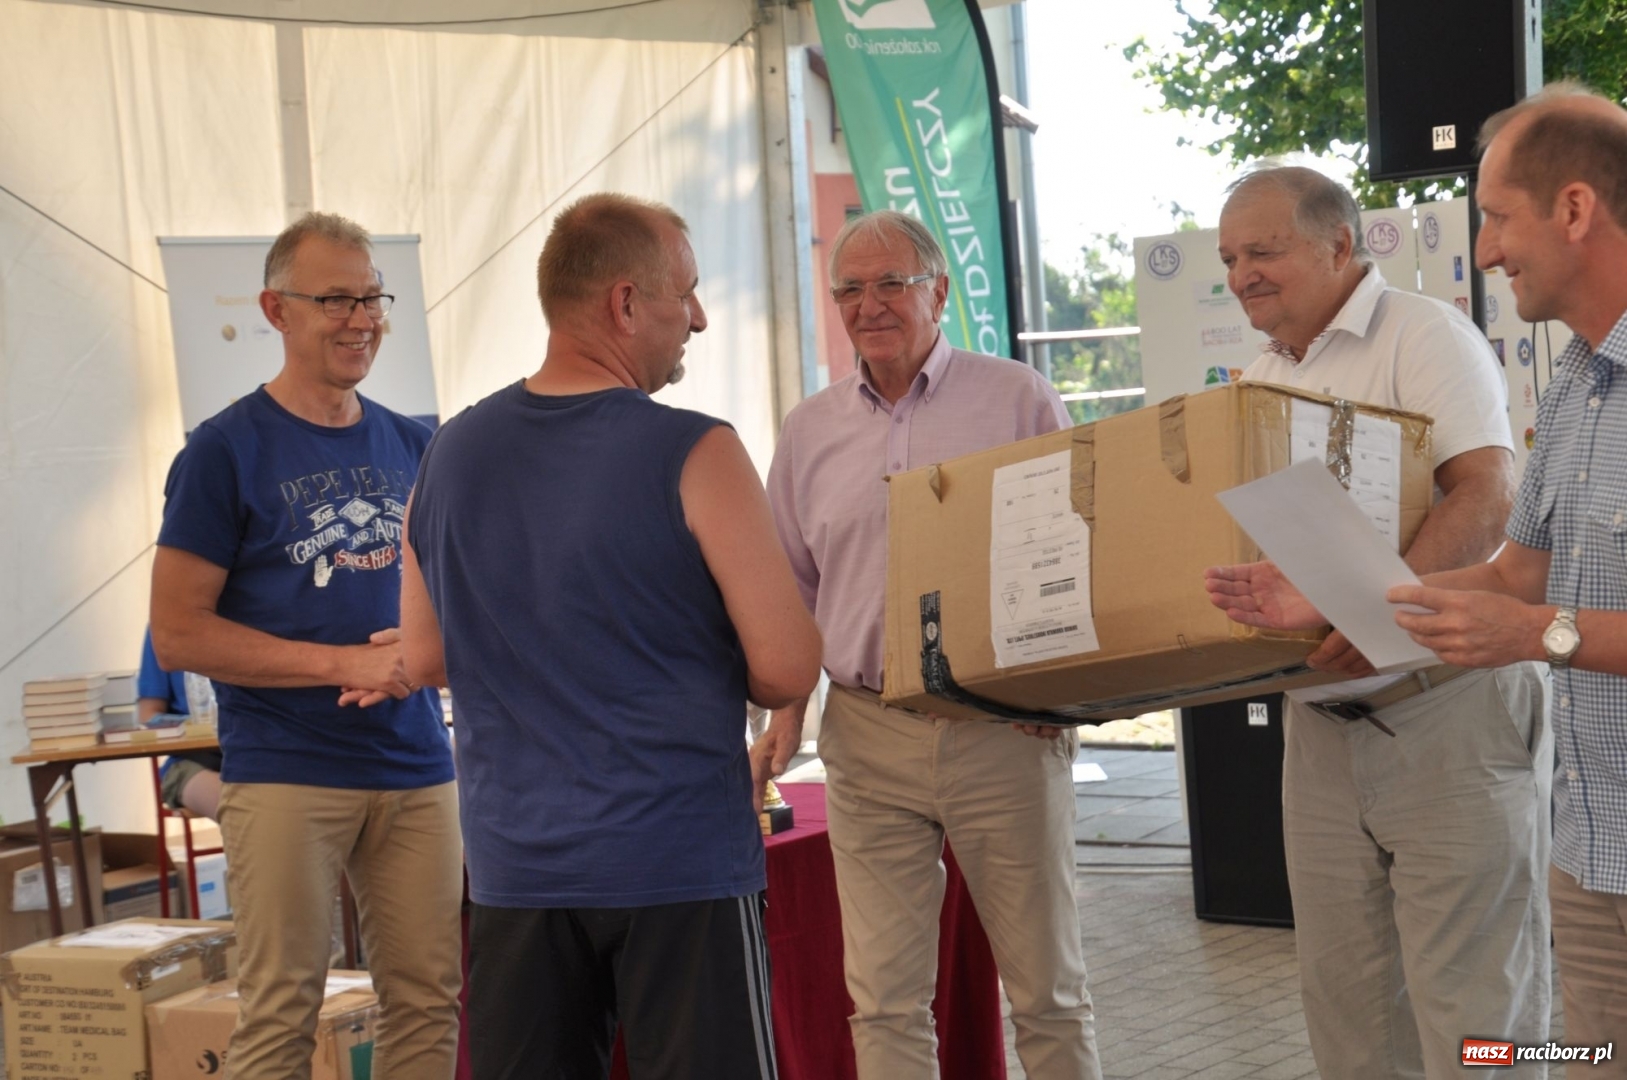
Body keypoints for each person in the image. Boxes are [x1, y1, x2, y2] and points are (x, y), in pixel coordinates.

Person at [400, 192, 821, 1080]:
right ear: (626, 304)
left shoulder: (446, 453)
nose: (699, 319)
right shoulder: (696, 449)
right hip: (677, 858)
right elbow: (784, 669)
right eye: (687, 294)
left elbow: (427, 657)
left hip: (517, 865)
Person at [1203, 166, 1552, 1079]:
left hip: (1446, 715)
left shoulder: (1423, 334)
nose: (1241, 274)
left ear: (1338, 246)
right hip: (1318, 728)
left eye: (1263, 251)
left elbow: (1485, 492)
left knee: (1482, 1026)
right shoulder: (1261, 375)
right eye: (1230, 258)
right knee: (1348, 1019)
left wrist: (1381, 614)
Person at [757, 209, 1100, 1080]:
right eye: (849, 289)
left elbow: (1077, 551)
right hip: (866, 736)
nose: (868, 305)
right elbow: (793, 586)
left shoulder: (1016, 396)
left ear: (939, 292)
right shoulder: (808, 429)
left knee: (1046, 994)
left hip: (1001, 727)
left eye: (891, 284)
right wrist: (784, 717)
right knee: (882, 999)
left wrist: (1060, 697)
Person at [150, 211, 462, 1080]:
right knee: (283, 1010)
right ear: (275, 310)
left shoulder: (416, 442)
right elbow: (176, 633)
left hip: (415, 765)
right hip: (286, 768)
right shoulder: (221, 452)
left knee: (429, 1002)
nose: (360, 318)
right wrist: (344, 663)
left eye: (371, 297)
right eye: (335, 299)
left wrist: (425, 645)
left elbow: (463, 595)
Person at [1363, 84, 1627, 1074]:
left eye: (1496, 217)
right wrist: (1344, 600)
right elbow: (1519, 572)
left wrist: (1536, 639)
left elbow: (1532, 616)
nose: (1482, 251)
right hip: (1590, 857)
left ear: (1573, 209)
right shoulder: (1572, 386)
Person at [136, 626, 223, 819]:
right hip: (191, 759)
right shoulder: (164, 628)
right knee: (242, 807)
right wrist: (197, 726)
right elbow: (147, 715)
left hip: (263, 753)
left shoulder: (261, 615)